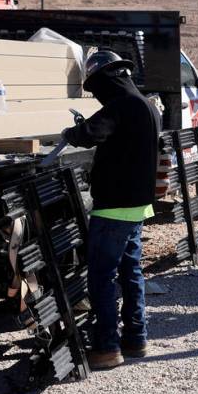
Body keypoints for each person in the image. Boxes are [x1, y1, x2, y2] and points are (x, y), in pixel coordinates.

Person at [62, 50, 161, 370]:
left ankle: (106, 347)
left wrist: (70, 133)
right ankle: (136, 338)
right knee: (131, 273)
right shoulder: (146, 105)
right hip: (136, 207)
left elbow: (91, 132)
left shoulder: (121, 106)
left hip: (114, 208)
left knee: (101, 277)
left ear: (107, 80)